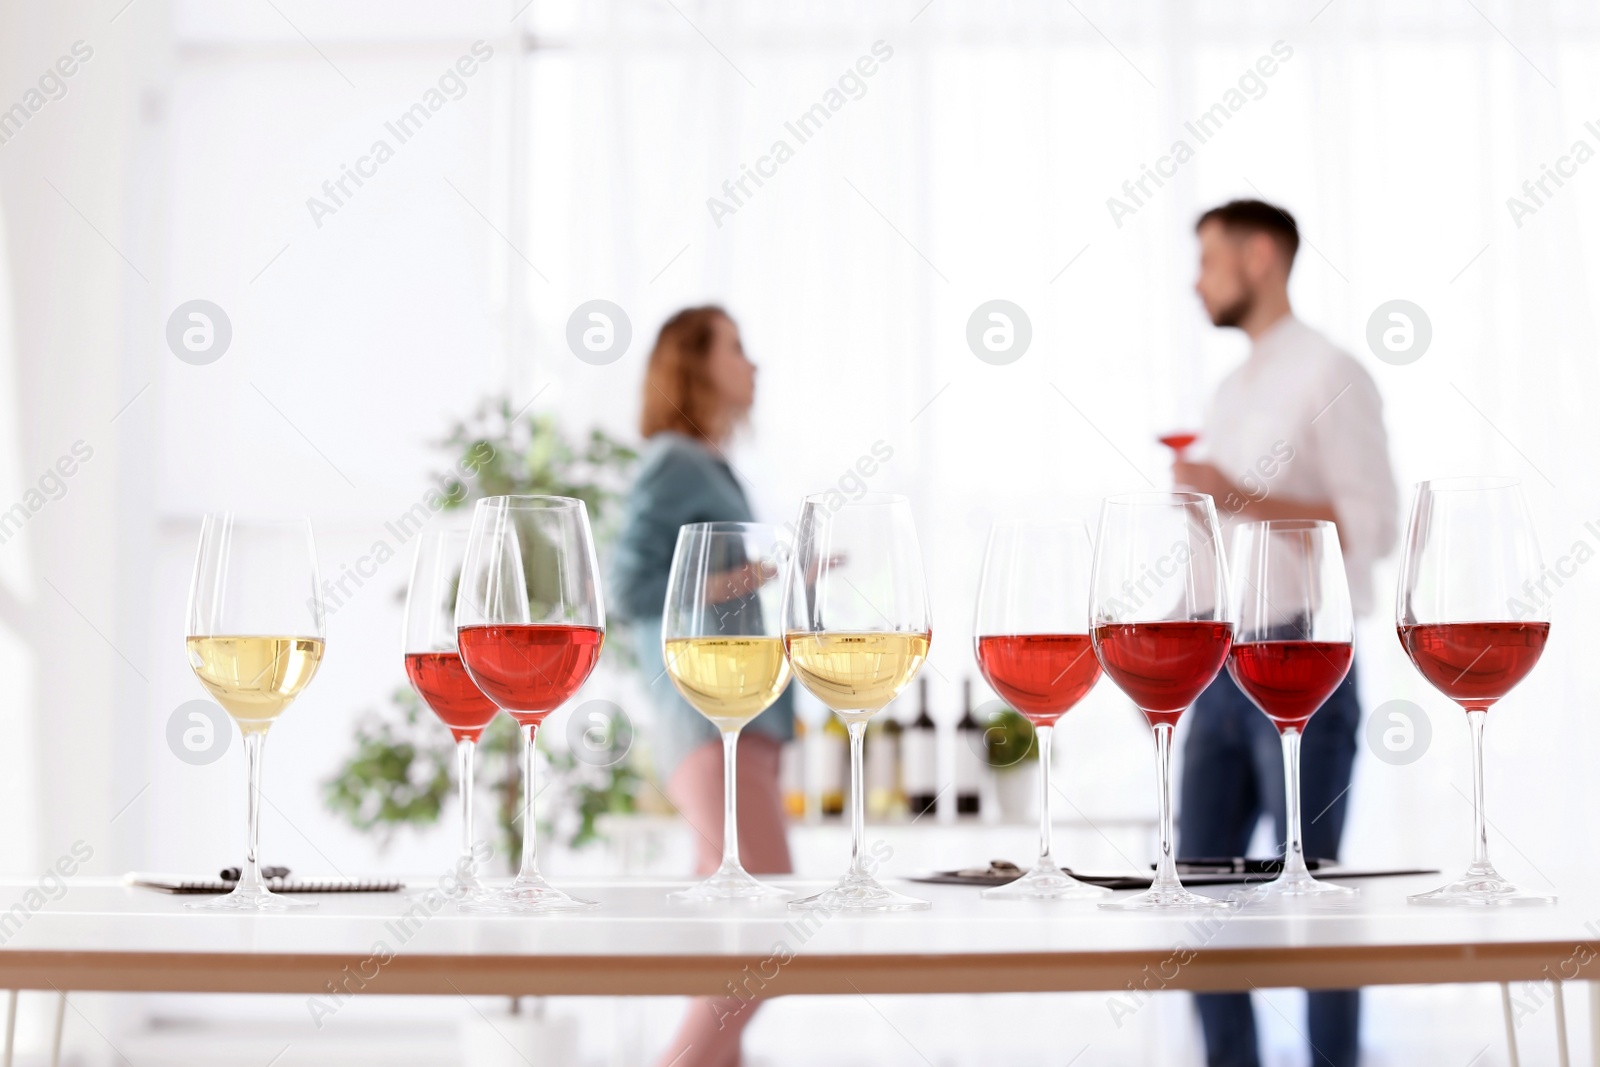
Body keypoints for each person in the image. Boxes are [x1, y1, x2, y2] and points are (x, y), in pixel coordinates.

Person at [1175, 200, 1398, 1067]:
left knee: (1316, 900)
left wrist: (1234, 495)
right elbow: (1231, 520)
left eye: (1208, 259)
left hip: (1302, 657)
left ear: (1260, 255)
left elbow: (1371, 524)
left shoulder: (1330, 373)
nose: (1196, 280)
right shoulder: (1233, 387)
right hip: (1215, 665)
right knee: (1196, 901)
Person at [610, 306, 795, 1067]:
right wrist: (756, 572)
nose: (756, 364)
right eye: (738, 348)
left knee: (730, 933)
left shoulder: (708, 465)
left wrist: (773, 575)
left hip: (744, 718)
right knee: (768, 918)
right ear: (694, 363)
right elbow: (628, 587)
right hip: (708, 716)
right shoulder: (673, 462)